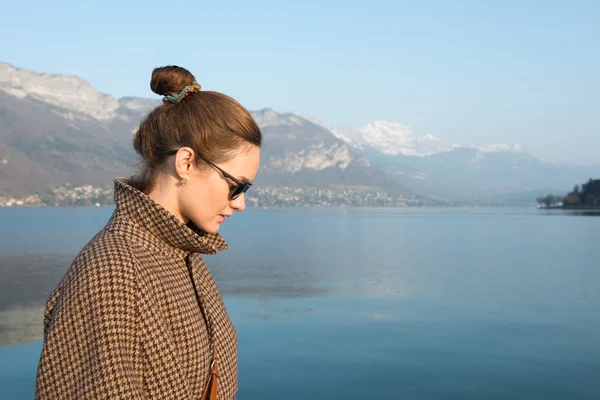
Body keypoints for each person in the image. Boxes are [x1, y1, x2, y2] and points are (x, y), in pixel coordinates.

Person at [35, 65, 262, 399]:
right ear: (185, 163)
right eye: (236, 186)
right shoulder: (113, 272)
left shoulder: (182, 254)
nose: (240, 203)